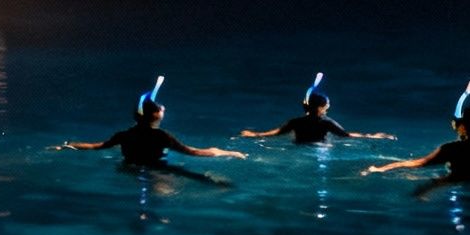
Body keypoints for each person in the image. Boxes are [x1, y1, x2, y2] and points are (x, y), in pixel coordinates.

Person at [60, 76, 245, 180]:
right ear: (156, 115)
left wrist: (68, 145)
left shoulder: (123, 135)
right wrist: (220, 151)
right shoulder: (162, 136)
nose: (163, 108)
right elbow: (193, 152)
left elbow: (95, 146)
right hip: (156, 170)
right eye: (160, 108)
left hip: (127, 170)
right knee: (195, 179)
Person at [238, 74, 396, 145]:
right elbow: (347, 136)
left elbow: (275, 134)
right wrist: (373, 136)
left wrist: (254, 135)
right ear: (321, 107)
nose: (329, 107)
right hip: (319, 150)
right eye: (327, 105)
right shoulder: (326, 123)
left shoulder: (296, 122)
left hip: (298, 148)